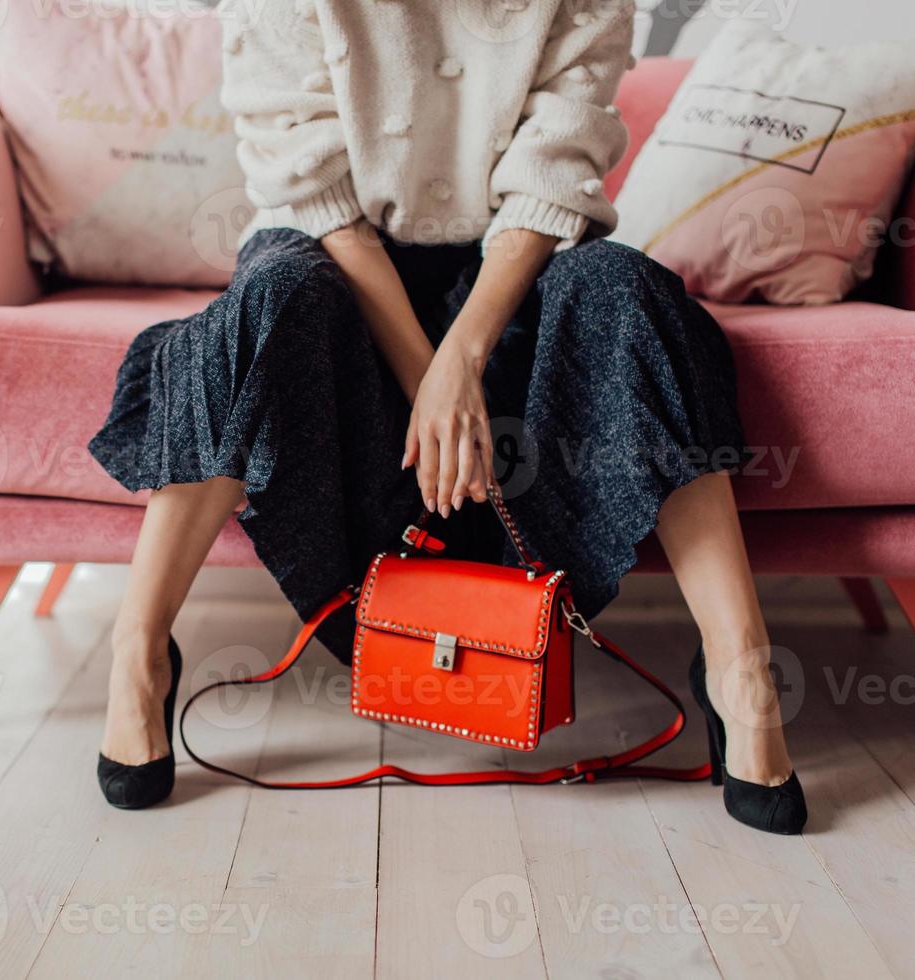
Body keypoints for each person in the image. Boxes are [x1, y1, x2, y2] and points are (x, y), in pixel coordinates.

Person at [87, 0, 807, 835]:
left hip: (513, 255)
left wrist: (463, 359)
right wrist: (429, 379)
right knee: (269, 306)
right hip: (329, 249)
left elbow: (554, 165)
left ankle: (741, 669)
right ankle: (137, 655)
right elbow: (314, 187)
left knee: (626, 292)